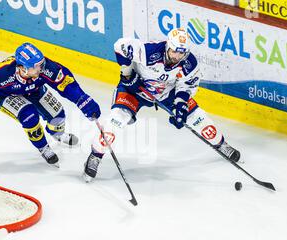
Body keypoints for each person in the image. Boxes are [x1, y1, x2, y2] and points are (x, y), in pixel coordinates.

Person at [83, 28, 241, 181]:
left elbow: (186, 87)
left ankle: (221, 144)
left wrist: (180, 106)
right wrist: (127, 74)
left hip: (166, 93)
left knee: (196, 117)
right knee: (116, 122)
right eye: (174, 51)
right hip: (134, 90)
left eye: (181, 53)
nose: (177, 56)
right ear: (168, 46)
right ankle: (95, 156)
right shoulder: (150, 51)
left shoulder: (189, 64)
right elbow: (120, 46)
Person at [0, 42, 101, 166]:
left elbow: (65, 82)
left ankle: (57, 134)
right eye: (36, 66)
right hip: (7, 94)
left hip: (34, 90)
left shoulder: (46, 68)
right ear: (22, 68)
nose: (41, 68)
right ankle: (43, 147)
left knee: (58, 114)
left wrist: (82, 99)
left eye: (41, 63)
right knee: (30, 116)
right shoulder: (4, 74)